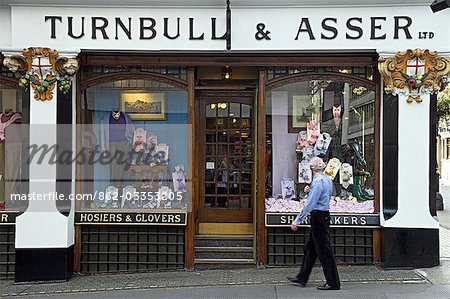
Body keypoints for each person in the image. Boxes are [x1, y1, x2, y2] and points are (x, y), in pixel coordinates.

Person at [287, 157, 341, 291]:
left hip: (318, 217)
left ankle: (333, 282)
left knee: (324, 250)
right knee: (310, 248)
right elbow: (324, 196)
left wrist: (297, 220)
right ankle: (302, 277)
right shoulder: (327, 179)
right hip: (323, 216)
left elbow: (310, 204)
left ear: (312, 168)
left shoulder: (317, 182)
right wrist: (310, 191)